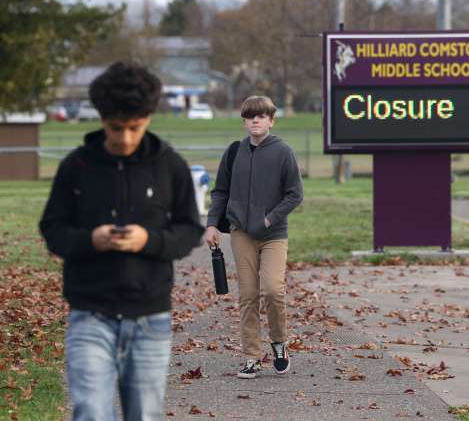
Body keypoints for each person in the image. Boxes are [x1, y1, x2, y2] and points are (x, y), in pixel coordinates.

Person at [39, 61, 204, 420]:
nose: (125, 138)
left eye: (135, 128)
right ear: (101, 119)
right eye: (116, 128)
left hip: (149, 317)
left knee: (143, 415)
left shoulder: (170, 166)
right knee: (90, 412)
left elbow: (190, 229)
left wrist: (149, 240)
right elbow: (52, 229)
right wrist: (90, 240)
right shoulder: (76, 167)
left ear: (148, 118)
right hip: (89, 315)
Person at [206, 96, 303, 379]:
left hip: (273, 234)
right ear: (245, 121)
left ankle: (279, 343)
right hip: (241, 233)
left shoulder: (283, 151)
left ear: (271, 120)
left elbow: (295, 194)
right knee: (248, 295)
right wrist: (212, 224)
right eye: (250, 116)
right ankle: (250, 356)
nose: (256, 120)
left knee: (273, 290)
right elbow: (220, 191)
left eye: (261, 116)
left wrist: (269, 218)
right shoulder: (234, 151)